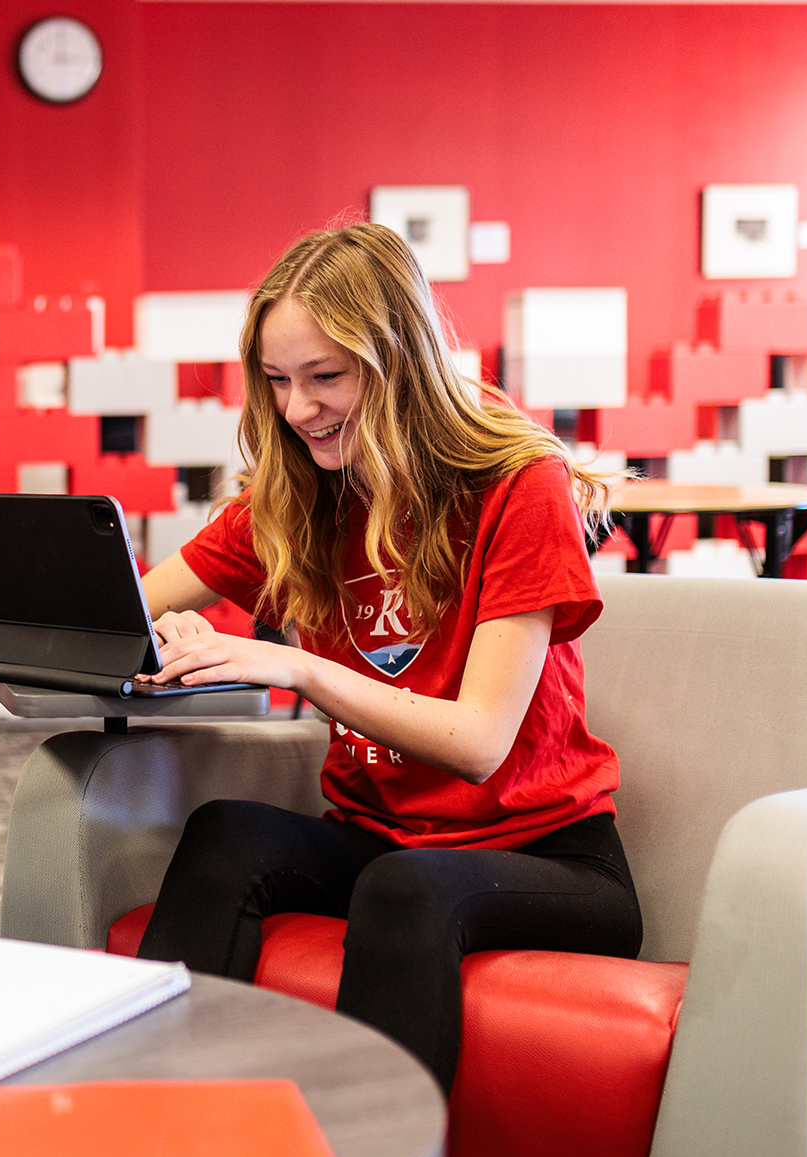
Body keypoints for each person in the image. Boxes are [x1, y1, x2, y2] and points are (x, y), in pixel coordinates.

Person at [133, 222, 642, 1092]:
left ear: (400, 358)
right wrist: (157, 642)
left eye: (326, 377)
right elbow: (134, 606)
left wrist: (295, 666)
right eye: (278, 381)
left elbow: (480, 741)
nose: (298, 410)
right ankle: (162, 1131)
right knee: (226, 833)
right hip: (377, 837)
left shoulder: (518, 484)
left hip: (548, 856)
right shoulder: (298, 491)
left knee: (407, 889)